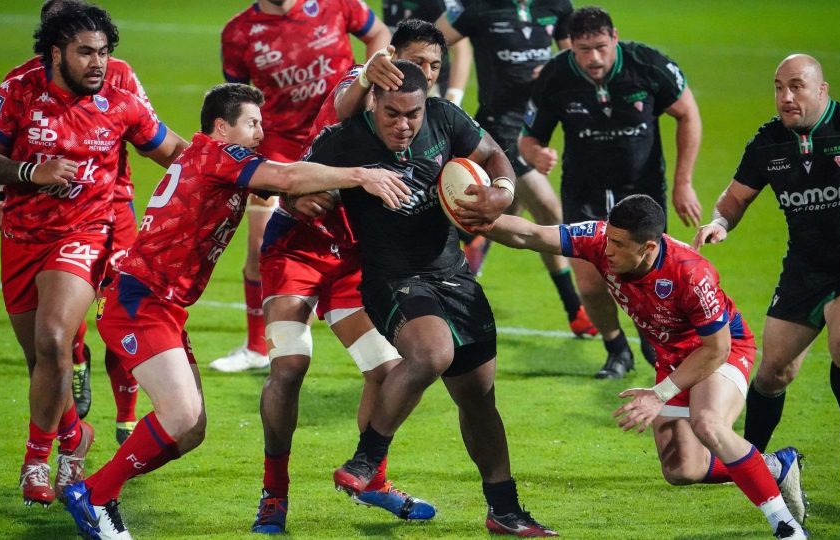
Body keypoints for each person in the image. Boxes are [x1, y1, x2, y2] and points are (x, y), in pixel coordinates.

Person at [62, 82, 410, 539]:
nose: (260, 133)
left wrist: (292, 198)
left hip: (162, 306)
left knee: (190, 432)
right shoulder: (217, 154)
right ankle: (96, 495)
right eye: (251, 123)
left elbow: (279, 188)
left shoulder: (212, 160)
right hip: (139, 300)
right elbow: (285, 177)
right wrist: (361, 175)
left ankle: (97, 489)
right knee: (181, 415)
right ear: (222, 127)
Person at [304, 60, 556, 537]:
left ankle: (504, 510)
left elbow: (494, 154)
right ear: (374, 103)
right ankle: (367, 460)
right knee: (432, 352)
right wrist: (309, 201)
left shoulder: (445, 118)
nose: (403, 125)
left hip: (453, 274)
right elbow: (297, 183)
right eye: (392, 114)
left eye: (412, 115)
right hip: (392, 280)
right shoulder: (344, 139)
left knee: (479, 400)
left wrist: (501, 191)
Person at [0, 3, 187, 508]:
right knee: (42, 357)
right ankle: (73, 435)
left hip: (87, 230)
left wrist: (245, 175)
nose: (98, 64)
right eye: (86, 53)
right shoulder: (17, 89)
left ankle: (40, 458)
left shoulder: (120, 98)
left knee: (55, 336)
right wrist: (26, 173)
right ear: (55, 53)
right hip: (22, 237)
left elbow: (173, 150)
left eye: (104, 53)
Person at [485, 195, 808, 539]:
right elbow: (529, 235)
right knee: (681, 470)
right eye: (608, 237)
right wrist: (470, 217)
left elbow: (717, 348)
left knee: (708, 424)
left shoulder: (690, 273)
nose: (607, 249)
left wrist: (660, 394)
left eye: (619, 244)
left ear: (649, 247)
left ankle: (785, 527)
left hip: (719, 350)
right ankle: (774, 465)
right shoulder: (601, 242)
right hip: (672, 356)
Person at [251, 19, 449, 534]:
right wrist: (366, 71)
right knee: (289, 367)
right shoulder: (358, 88)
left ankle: (373, 479)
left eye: (432, 66)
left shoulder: (429, 117)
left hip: (353, 258)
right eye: (413, 62)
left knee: (387, 372)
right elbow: (342, 108)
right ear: (389, 59)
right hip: (298, 246)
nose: (423, 74)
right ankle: (274, 494)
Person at [693, 53, 840, 488]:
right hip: (804, 270)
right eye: (779, 87)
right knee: (773, 373)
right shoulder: (768, 143)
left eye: (797, 87)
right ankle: (747, 460)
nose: (786, 97)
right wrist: (719, 223)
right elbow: (736, 198)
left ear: (822, 90)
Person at [519, 6, 703, 378]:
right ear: (571, 46)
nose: (594, 58)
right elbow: (528, 138)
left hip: (641, 192)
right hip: (583, 191)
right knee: (589, 281)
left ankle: (652, 338)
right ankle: (616, 347)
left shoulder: (648, 65)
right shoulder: (555, 76)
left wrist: (684, 182)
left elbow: (688, 113)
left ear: (615, 37)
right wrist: (536, 154)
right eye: (583, 49)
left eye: (601, 47)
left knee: (646, 273)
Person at [0, 0, 147, 444]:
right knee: (56, 336)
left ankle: (127, 417)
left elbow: (155, 136)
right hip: (37, 222)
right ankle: (74, 367)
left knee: (118, 309)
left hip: (112, 208)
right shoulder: (21, 81)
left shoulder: (118, 75)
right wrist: (0, 193)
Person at [213, 0, 392, 372]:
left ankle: (365, 319)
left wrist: (372, 84)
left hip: (340, 143)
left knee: (355, 233)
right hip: (279, 152)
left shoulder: (336, 4)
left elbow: (377, 32)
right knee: (260, 246)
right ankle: (257, 346)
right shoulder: (239, 32)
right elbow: (236, 105)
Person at [436, 0, 597, 337]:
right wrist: (431, 85)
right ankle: (575, 308)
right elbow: (430, 39)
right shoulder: (478, 8)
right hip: (498, 132)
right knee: (549, 208)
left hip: (535, 129)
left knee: (509, 206)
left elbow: (571, 60)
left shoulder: (556, 6)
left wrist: (555, 69)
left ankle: (470, 240)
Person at [381, 0, 471, 104]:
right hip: (399, 82)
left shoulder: (437, 3)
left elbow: (462, 50)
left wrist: (454, 97)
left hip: (432, 87)